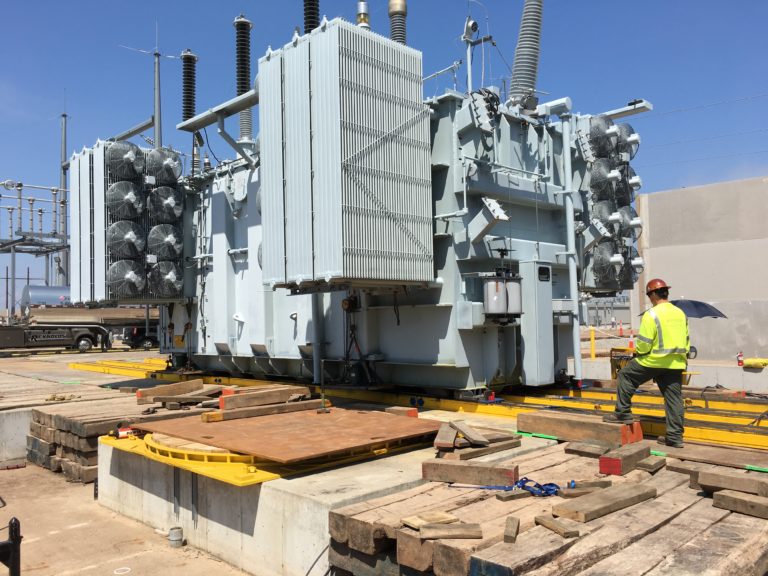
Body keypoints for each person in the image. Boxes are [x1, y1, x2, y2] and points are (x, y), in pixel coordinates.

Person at [603, 278, 689, 448]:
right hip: (676, 363)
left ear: (654, 295)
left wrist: (640, 352)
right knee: (674, 399)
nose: (650, 298)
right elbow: (686, 339)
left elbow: (643, 345)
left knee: (626, 375)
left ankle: (623, 413)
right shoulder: (680, 313)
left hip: (653, 360)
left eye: (650, 295)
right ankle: (675, 437)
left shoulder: (652, 314)